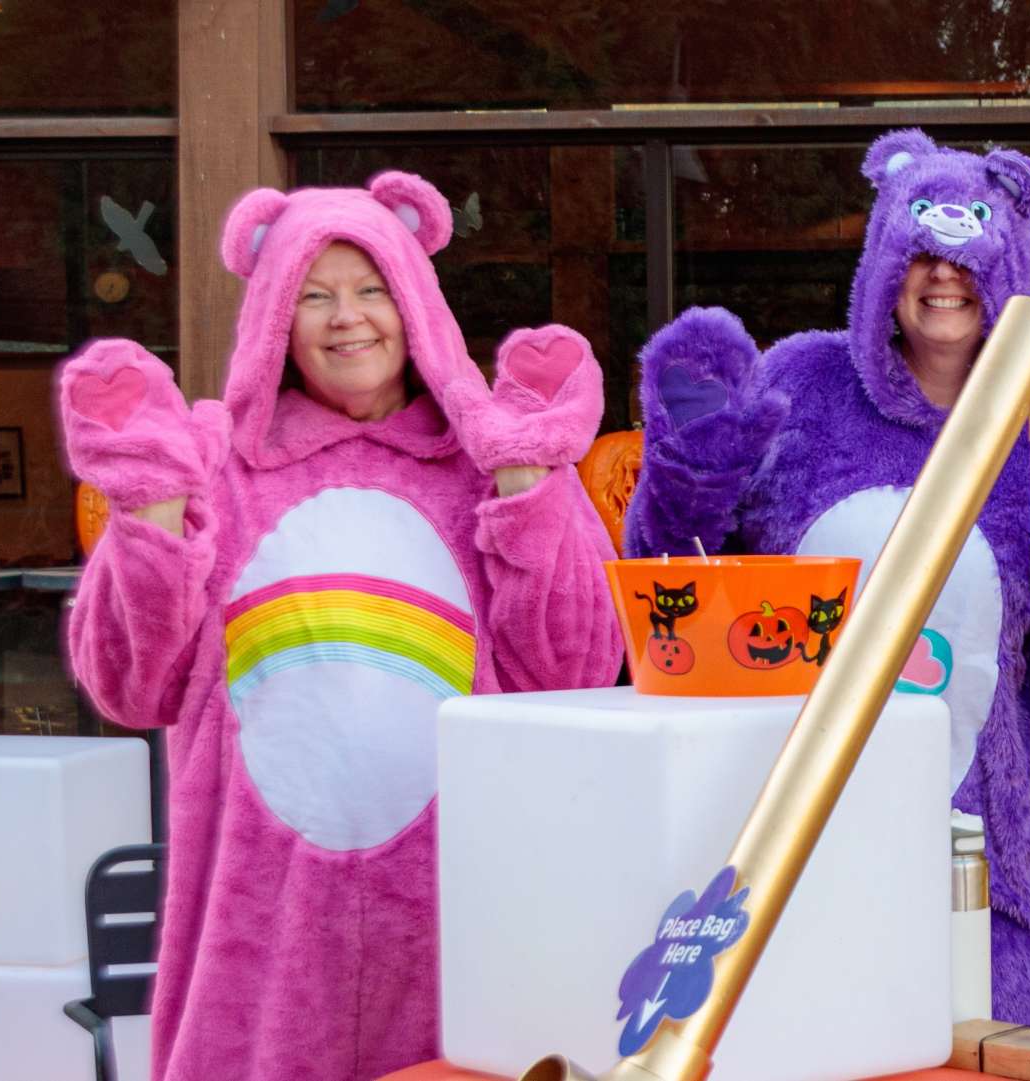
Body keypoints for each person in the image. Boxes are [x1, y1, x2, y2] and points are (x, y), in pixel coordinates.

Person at [627, 129, 1030, 1026]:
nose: (944, 274)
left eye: (969, 255)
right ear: (883, 259)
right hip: (791, 844)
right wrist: (691, 472)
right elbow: (679, 593)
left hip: (986, 878)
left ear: (1012, 266)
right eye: (920, 252)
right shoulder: (803, 385)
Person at [56, 171, 621, 1081]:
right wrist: (152, 512)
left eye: (372, 289)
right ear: (274, 321)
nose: (346, 317)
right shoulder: (217, 471)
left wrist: (525, 485)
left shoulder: (489, 464)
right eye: (313, 295)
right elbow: (131, 687)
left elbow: (579, 667)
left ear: (418, 306)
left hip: (462, 914)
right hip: (265, 927)